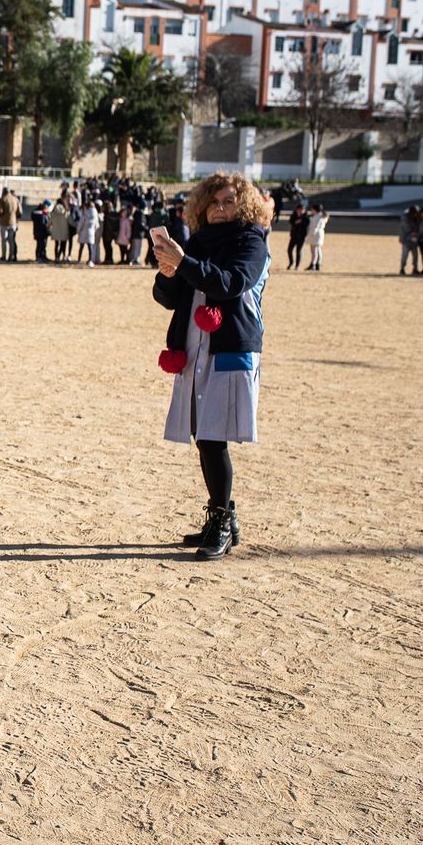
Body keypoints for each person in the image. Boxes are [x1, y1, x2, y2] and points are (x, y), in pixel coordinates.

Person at [151, 172, 272, 561]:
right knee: (203, 432)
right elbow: (170, 297)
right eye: (214, 202)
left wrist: (184, 262)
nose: (220, 209)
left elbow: (230, 283)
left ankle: (221, 519)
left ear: (244, 205)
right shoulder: (199, 241)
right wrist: (168, 272)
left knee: (213, 434)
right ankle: (224, 517)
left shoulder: (251, 242)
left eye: (228, 202)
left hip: (230, 344)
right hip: (194, 343)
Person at [0, 188, 20, 262]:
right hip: (13, 222)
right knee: (11, 240)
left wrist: (0, 218)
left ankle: (4, 257)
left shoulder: (2, 199)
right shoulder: (15, 199)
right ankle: (11, 257)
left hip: (4, 222)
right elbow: (19, 212)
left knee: (4, 240)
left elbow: (0, 211)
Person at [305, 204, 329, 270]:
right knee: (318, 249)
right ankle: (318, 263)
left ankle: (313, 264)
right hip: (318, 234)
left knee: (314, 250)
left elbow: (315, 227)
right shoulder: (320, 216)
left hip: (315, 234)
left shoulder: (318, 217)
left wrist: (310, 235)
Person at [286, 204, 310, 270]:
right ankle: (291, 263)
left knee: (298, 251)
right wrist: (296, 222)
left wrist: (300, 222)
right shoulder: (294, 215)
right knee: (289, 250)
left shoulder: (306, 217)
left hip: (301, 236)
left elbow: (306, 225)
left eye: (303, 209)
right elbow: (291, 221)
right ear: (297, 209)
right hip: (294, 235)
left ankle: (297, 265)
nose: (302, 211)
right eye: (300, 209)